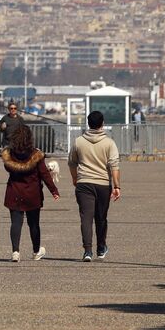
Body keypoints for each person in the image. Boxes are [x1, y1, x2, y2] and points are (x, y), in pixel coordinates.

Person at [68, 110, 121, 262]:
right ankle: (101, 247)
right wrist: (117, 186)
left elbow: (72, 162)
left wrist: (75, 178)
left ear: (88, 123)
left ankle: (87, 251)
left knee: (86, 217)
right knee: (101, 217)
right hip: (103, 183)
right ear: (102, 124)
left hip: (84, 182)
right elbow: (114, 165)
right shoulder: (109, 143)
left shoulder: (79, 141)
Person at [3, 124, 59, 262]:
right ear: (29, 138)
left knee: (16, 223)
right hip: (32, 193)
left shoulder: (9, 155)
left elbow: (8, 169)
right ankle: (36, 251)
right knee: (34, 224)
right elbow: (44, 174)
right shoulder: (36, 155)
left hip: (14, 192)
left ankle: (15, 252)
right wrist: (54, 190)